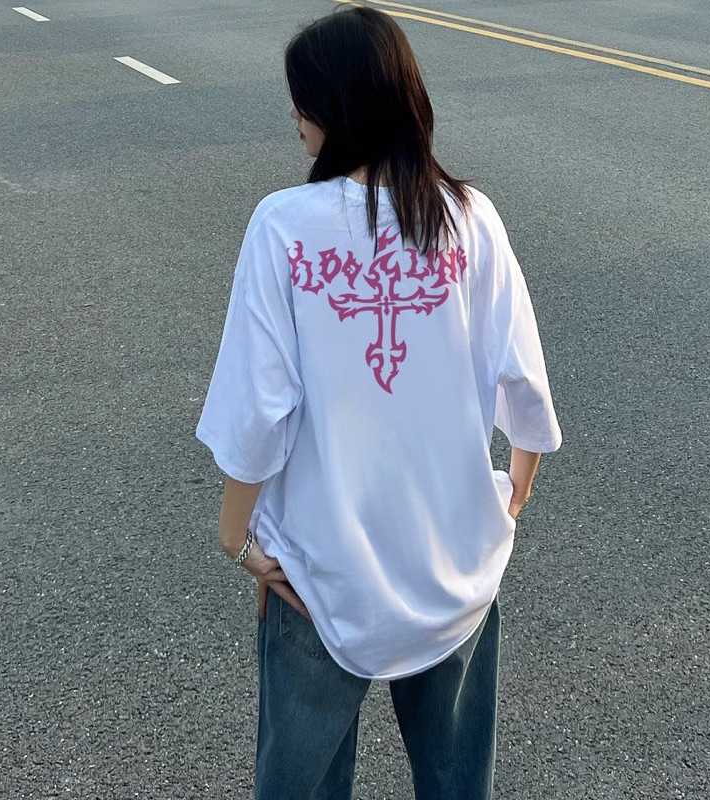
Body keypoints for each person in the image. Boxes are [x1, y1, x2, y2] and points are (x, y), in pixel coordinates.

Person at [195, 6, 562, 799]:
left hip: (321, 568)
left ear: (337, 106)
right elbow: (524, 382)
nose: (295, 116)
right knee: (456, 781)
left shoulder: (285, 227)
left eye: (303, 99)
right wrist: (513, 495)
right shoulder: (470, 217)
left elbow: (259, 406)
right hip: (452, 561)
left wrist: (235, 537)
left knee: (303, 783)